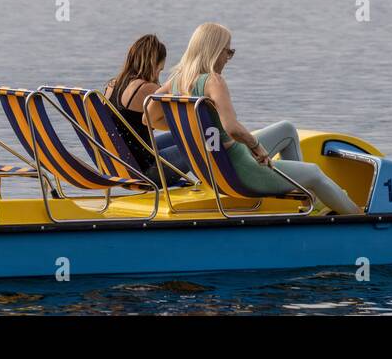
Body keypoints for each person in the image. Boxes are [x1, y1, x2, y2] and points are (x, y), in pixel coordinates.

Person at [153, 22, 362, 215]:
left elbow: (149, 118)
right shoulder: (213, 81)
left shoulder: (176, 82)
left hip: (216, 171)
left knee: (287, 130)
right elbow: (232, 127)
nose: (228, 58)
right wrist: (256, 147)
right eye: (228, 51)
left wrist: (193, 128)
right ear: (214, 51)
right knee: (314, 173)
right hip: (242, 170)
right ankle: (360, 219)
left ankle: (307, 198)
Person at [102, 34, 168, 177]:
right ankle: (212, 190)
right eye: (159, 69)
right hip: (146, 170)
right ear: (152, 64)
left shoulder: (111, 86)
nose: (158, 75)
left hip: (119, 165)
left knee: (176, 138)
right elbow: (178, 122)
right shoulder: (147, 88)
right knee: (199, 146)